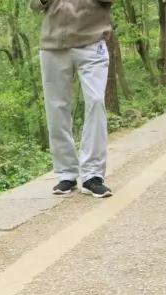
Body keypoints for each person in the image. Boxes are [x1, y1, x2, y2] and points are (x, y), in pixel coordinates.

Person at [30, 0, 114, 198]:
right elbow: (34, 5)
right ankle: (66, 173)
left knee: (95, 102)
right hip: (53, 45)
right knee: (56, 109)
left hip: (92, 42)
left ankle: (93, 175)